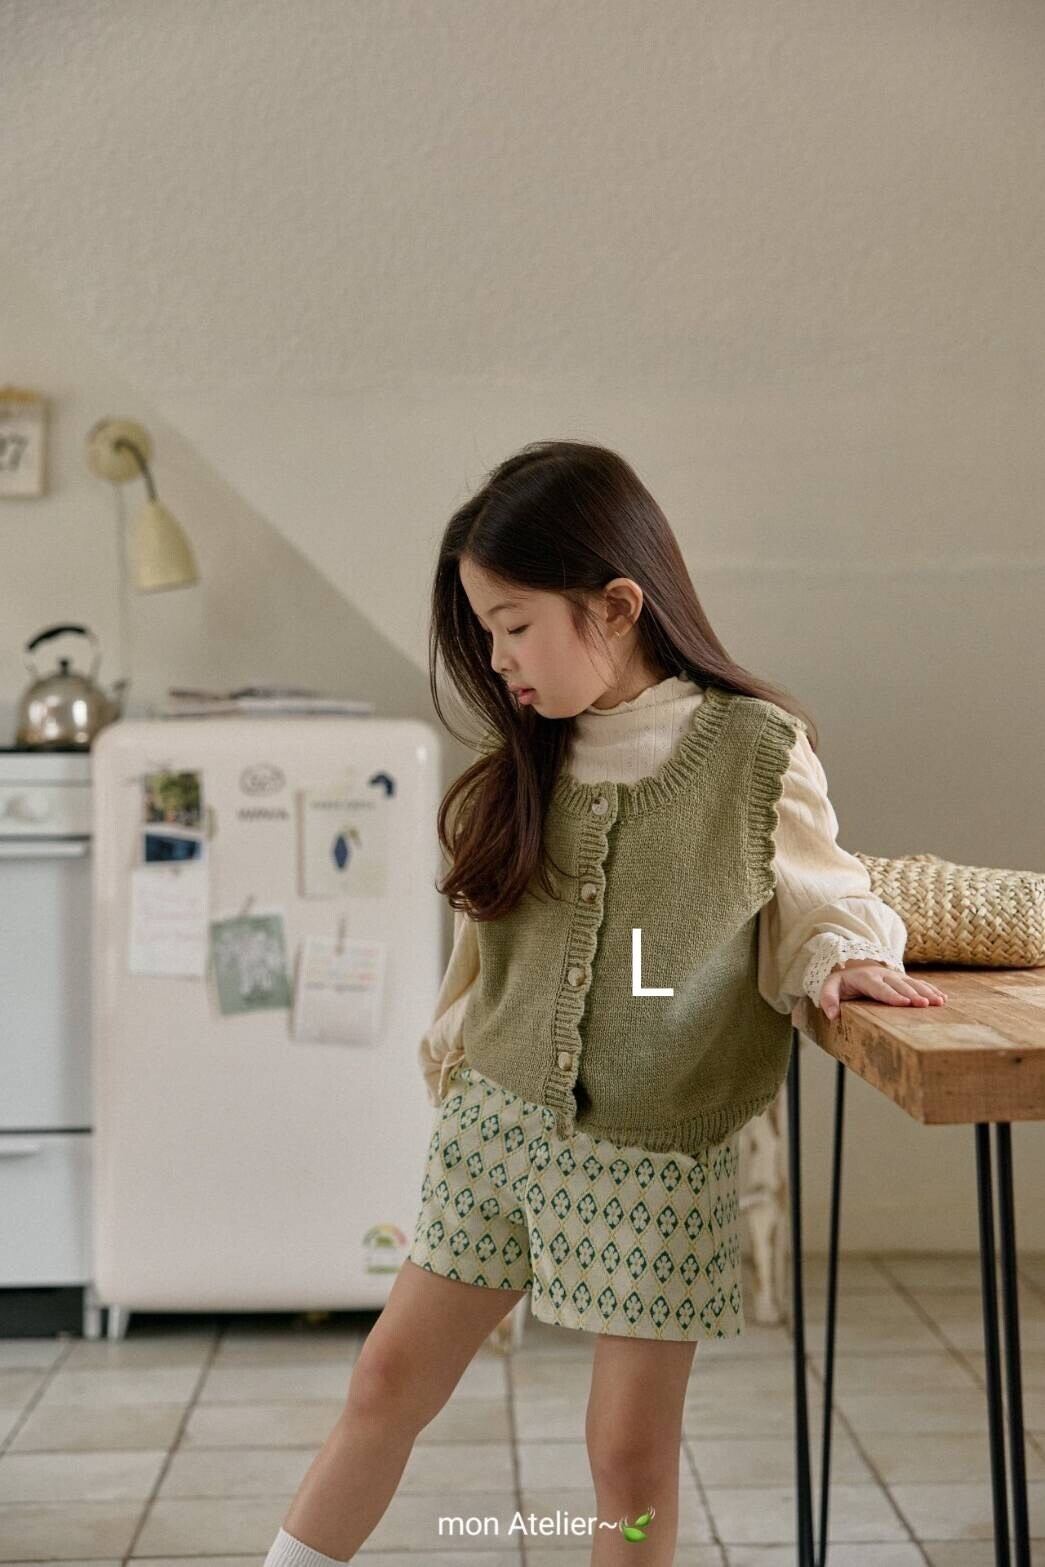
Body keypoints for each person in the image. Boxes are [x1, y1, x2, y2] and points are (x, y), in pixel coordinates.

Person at [263, 439, 947, 1567]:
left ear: (618, 605)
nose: (497, 658)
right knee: (384, 1379)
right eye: (484, 631)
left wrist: (841, 958)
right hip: (497, 1127)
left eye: (513, 625)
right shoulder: (526, 762)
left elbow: (820, 893)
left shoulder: (753, 751)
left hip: (655, 1154)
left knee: (626, 1453)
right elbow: (497, 958)